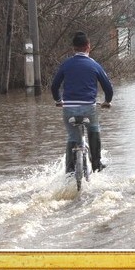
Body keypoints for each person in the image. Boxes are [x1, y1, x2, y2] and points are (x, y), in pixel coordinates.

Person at [51, 31, 113, 174]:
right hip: (88, 108)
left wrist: (58, 100)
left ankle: (69, 170)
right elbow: (108, 88)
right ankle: (97, 164)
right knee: (94, 129)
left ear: (74, 48)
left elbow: (54, 86)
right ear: (88, 47)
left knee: (72, 137)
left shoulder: (66, 64)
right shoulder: (94, 65)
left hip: (69, 109)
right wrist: (107, 101)